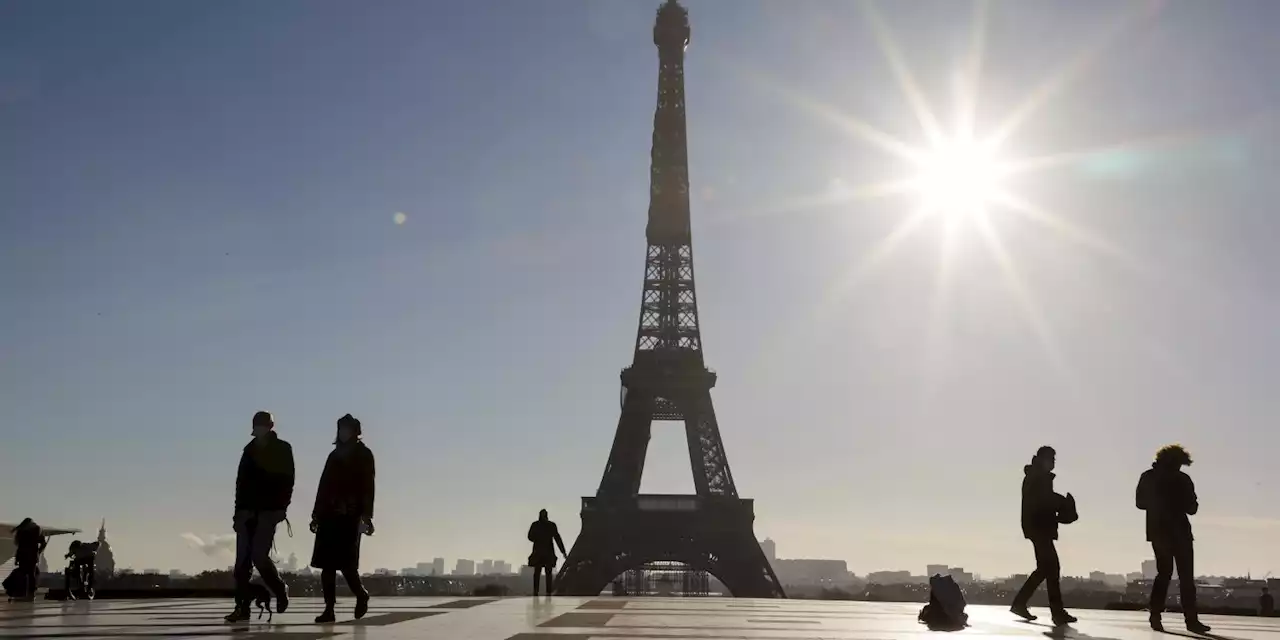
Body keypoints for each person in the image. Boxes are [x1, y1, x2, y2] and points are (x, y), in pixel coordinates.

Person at [225, 411, 295, 623]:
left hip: (268, 511)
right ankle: (242, 607)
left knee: (259, 556)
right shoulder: (249, 450)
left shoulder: (283, 448)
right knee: (241, 564)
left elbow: (287, 481)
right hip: (247, 511)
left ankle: (279, 589)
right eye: (257, 425)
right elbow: (241, 484)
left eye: (263, 425)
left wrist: (282, 507)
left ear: (270, 427)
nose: (260, 429)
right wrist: (238, 513)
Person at [310, 413, 375, 624]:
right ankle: (329, 609)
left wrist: (366, 515)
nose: (343, 433)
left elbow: (368, 487)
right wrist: (316, 514)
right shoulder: (334, 455)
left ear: (355, 432)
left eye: (347, 429)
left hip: (350, 515)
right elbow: (323, 486)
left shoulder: (364, 455)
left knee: (347, 565)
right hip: (329, 515)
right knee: (327, 566)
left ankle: (361, 594)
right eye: (341, 429)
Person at [1137, 444, 1209, 633]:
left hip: (1160, 532)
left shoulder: (1149, 476)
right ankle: (1191, 620)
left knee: (1165, 574)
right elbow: (1192, 508)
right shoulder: (1182, 479)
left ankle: (1155, 616)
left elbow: (1140, 502)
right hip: (1178, 532)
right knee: (1184, 577)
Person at [1010, 446, 1077, 625]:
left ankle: (1021, 603)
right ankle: (1056, 612)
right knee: (1052, 568)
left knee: (1045, 569)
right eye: (1051, 459)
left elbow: (1043, 500)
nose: (1054, 462)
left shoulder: (1037, 475)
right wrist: (1063, 503)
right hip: (1039, 528)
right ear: (1043, 459)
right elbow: (1043, 500)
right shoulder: (1038, 476)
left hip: (1038, 527)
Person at [527, 509, 566, 596]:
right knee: (548, 573)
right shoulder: (551, 525)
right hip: (548, 552)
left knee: (537, 572)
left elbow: (530, 537)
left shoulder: (535, 525)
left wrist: (538, 538)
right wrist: (563, 551)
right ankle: (548, 591)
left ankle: (536, 591)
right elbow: (557, 538)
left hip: (538, 551)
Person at [6, 519, 46, 601]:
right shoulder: (36, 529)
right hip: (31, 556)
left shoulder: (25, 531)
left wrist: (17, 558)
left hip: (25, 556)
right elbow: (43, 543)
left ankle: (25, 593)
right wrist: (39, 551)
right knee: (30, 575)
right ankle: (29, 594)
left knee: (26, 574)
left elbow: (20, 546)